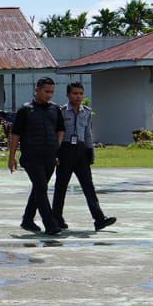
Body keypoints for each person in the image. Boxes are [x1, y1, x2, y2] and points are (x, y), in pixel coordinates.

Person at [51, 83, 117, 231]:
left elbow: (88, 133)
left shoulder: (86, 112)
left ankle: (99, 219)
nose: (78, 96)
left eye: (81, 93)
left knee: (88, 186)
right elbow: (57, 133)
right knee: (61, 186)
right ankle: (57, 218)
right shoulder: (61, 112)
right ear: (68, 95)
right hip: (65, 150)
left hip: (81, 151)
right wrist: (55, 153)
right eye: (75, 93)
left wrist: (90, 151)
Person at [8, 77, 66, 235]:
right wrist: (11, 157)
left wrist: (57, 146)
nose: (49, 95)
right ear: (37, 90)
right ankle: (50, 224)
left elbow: (61, 129)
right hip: (31, 156)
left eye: (52, 92)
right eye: (46, 91)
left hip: (50, 156)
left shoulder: (55, 109)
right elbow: (15, 134)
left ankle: (27, 219)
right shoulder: (25, 110)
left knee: (40, 188)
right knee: (41, 187)